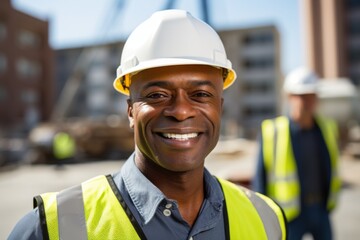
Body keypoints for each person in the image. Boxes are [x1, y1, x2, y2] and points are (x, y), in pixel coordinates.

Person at [9, 9, 286, 240]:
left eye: (200, 94)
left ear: (220, 108)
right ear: (130, 111)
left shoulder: (266, 220)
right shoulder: (50, 228)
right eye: (157, 95)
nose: (180, 111)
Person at [252, 67, 341, 240]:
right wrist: (263, 214)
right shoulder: (273, 131)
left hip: (321, 209)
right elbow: (260, 177)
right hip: (289, 214)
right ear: (290, 97)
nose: (308, 101)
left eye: (312, 95)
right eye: (302, 95)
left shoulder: (327, 129)